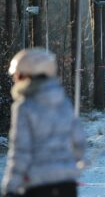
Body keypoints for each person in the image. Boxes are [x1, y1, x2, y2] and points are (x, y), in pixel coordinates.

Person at [1, 48, 86, 197]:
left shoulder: (24, 106)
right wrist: (73, 166)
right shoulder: (63, 101)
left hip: (37, 186)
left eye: (17, 74)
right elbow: (78, 142)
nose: (15, 78)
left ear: (26, 75)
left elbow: (21, 151)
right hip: (67, 185)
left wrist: (10, 187)